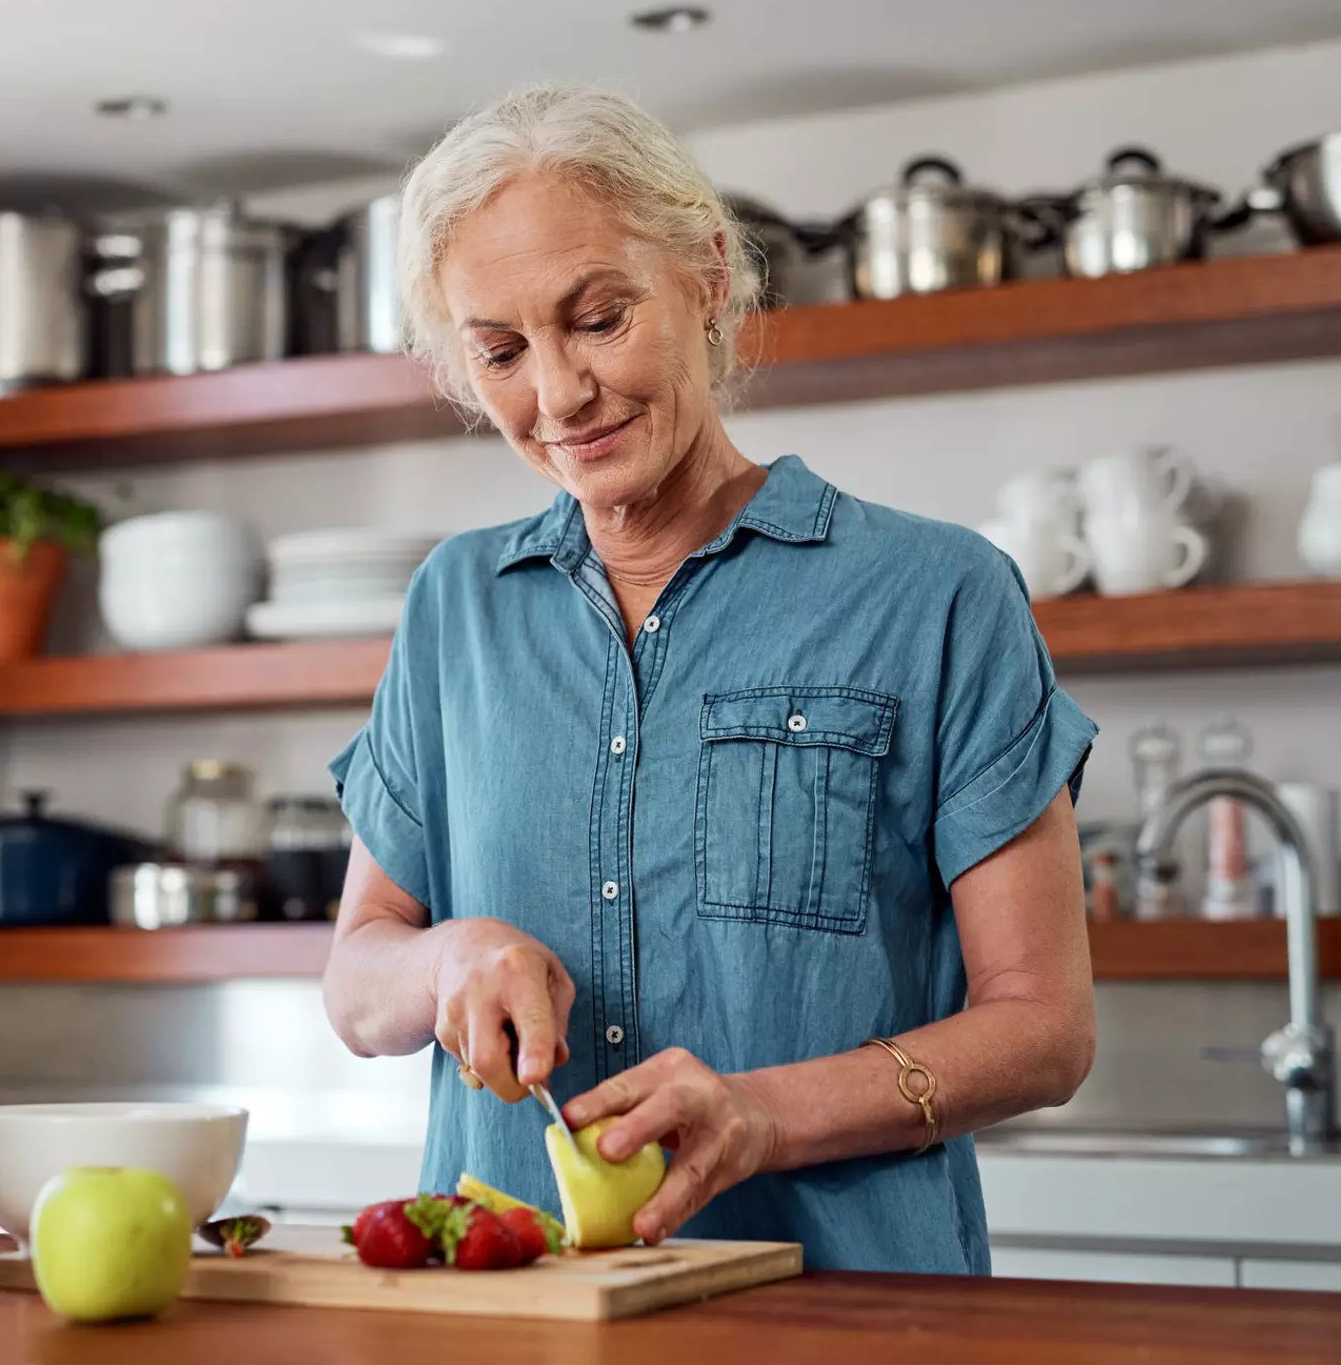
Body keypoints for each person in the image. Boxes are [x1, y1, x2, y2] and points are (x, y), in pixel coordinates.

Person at [319, 85, 1099, 1273]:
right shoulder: (453, 607)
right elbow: (359, 982)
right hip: (517, 1313)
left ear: (710, 278)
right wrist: (445, 958)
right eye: (502, 352)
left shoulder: (940, 595)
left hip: (847, 1319)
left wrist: (765, 1115)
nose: (560, 395)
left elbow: (1045, 1031)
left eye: (599, 318)